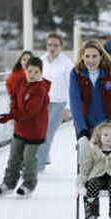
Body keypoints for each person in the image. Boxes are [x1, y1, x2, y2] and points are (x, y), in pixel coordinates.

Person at [69, 39, 111, 219]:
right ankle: (91, 213)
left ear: (101, 56)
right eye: (87, 56)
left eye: (94, 56)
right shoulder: (75, 74)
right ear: (82, 57)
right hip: (87, 127)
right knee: (88, 167)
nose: (91, 59)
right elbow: (74, 103)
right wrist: (82, 130)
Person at [0, 57, 51, 197]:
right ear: (25, 70)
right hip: (20, 129)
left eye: (36, 72)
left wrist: (12, 116)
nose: (32, 74)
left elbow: (29, 112)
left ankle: (28, 184)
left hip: (35, 131)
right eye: (29, 71)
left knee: (28, 158)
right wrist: (11, 113)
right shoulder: (22, 83)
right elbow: (14, 99)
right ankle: (9, 182)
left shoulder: (40, 89)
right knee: (14, 156)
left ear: (41, 72)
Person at [36, 33, 74, 173]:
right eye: (50, 44)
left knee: (47, 133)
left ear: (61, 47)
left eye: (56, 45)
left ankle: (37, 166)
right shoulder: (41, 60)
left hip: (59, 104)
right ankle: (44, 158)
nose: (52, 48)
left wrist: (68, 108)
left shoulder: (67, 64)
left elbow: (73, 87)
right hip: (42, 102)